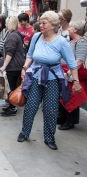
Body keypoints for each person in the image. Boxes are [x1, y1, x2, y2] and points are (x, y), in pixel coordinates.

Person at [17, 11, 81, 150]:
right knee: (31, 107)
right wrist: (24, 67)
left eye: (44, 23)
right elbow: (30, 54)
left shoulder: (62, 42)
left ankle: (49, 137)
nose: (41, 25)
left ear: (53, 25)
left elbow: (71, 63)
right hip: (36, 76)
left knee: (50, 110)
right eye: (40, 22)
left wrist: (75, 81)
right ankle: (24, 132)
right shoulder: (36, 37)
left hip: (52, 79)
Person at [58, 20, 87, 130]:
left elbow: (79, 61)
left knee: (71, 98)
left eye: (70, 27)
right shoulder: (71, 41)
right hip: (65, 71)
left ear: (75, 30)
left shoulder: (81, 42)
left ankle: (70, 122)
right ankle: (62, 118)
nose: (68, 28)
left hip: (72, 74)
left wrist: (69, 73)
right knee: (64, 97)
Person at [0, 16, 25, 116]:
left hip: (13, 66)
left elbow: (10, 53)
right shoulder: (17, 34)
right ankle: (11, 106)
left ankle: (12, 108)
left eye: (7, 23)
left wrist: (4, 66)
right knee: (13, 87)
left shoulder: (12, 36)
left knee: (11, 88)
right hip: (17, 65)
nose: (6, 25)